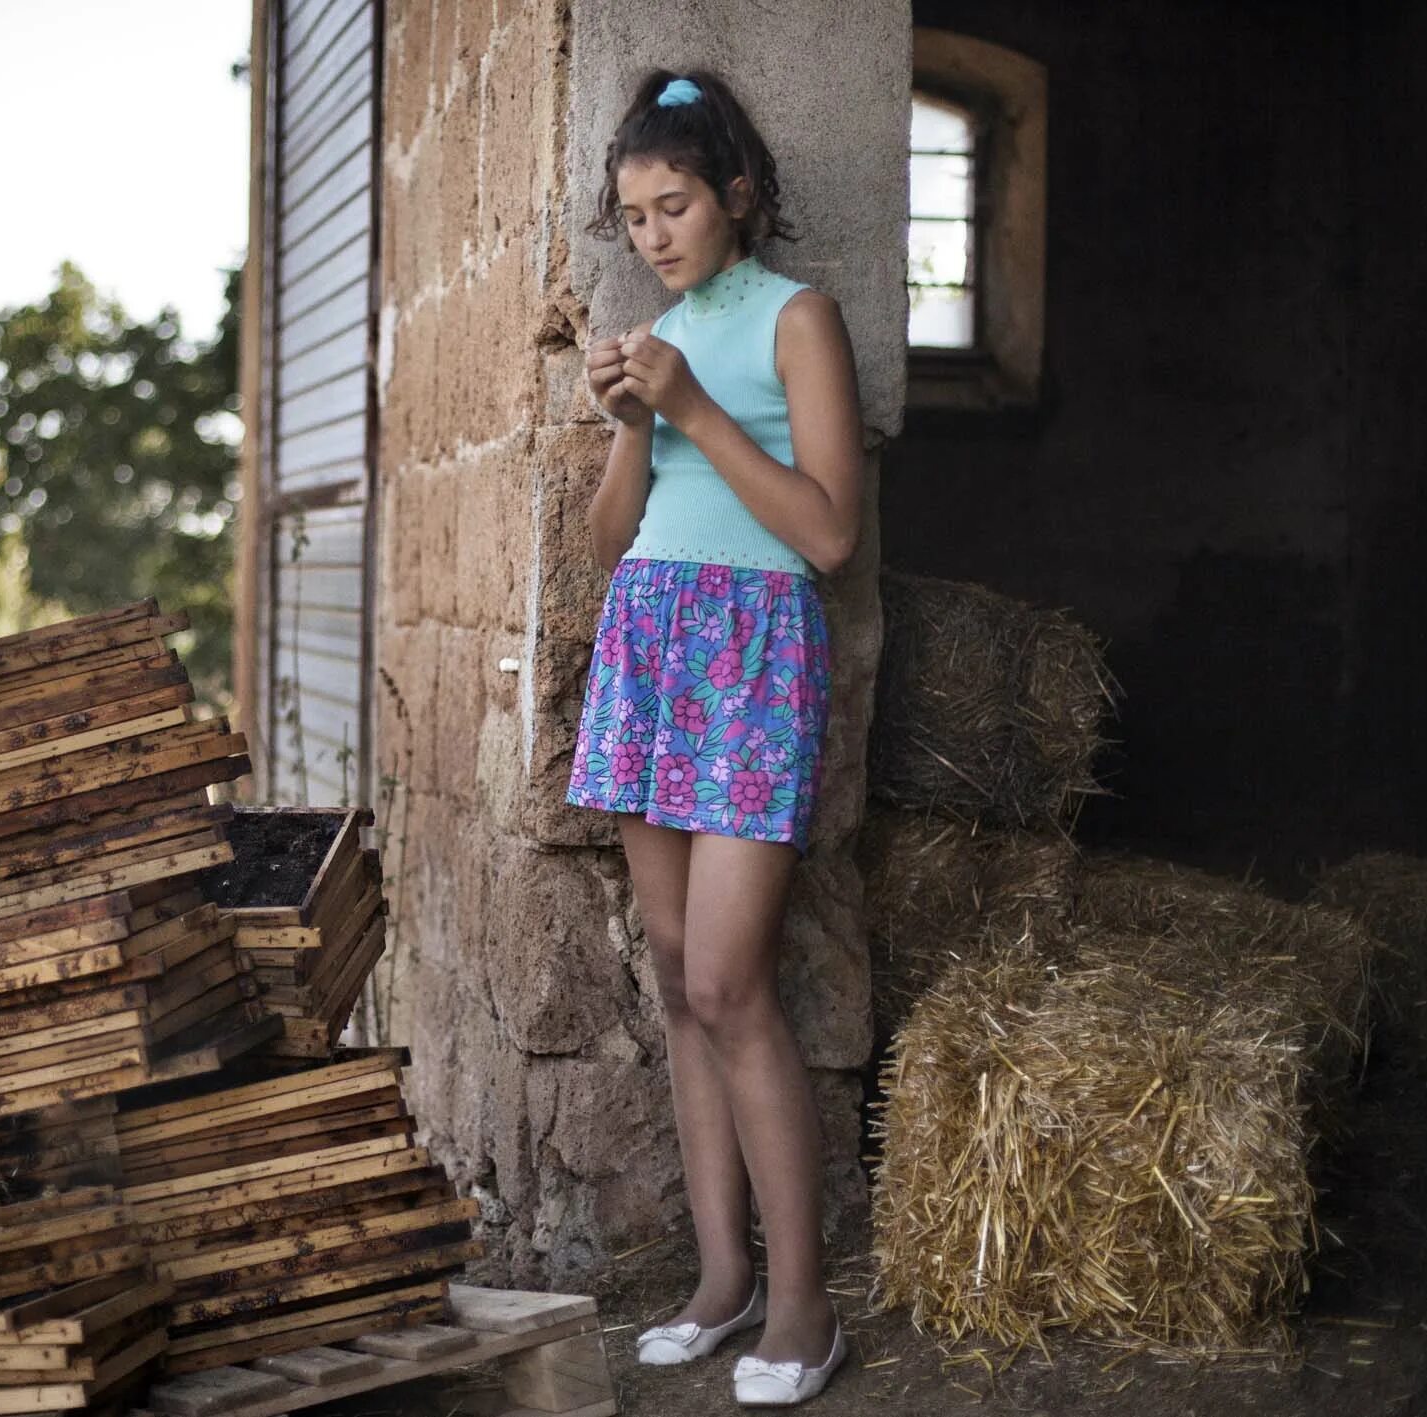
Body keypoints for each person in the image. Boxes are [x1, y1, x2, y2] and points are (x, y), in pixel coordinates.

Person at [568, 68, 864, 1408]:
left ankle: (801, 1304)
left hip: (750, 653)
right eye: (631, 217)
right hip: (646, 643)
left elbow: (825, 533)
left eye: (671, 204)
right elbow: (604, 540)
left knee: (734, 980)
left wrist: (687, 406)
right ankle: (717, 1278)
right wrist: (631, 426)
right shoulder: (660, 339)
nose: (652, 236)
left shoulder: (794, 320)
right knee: (682, 974)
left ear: (734, 195)